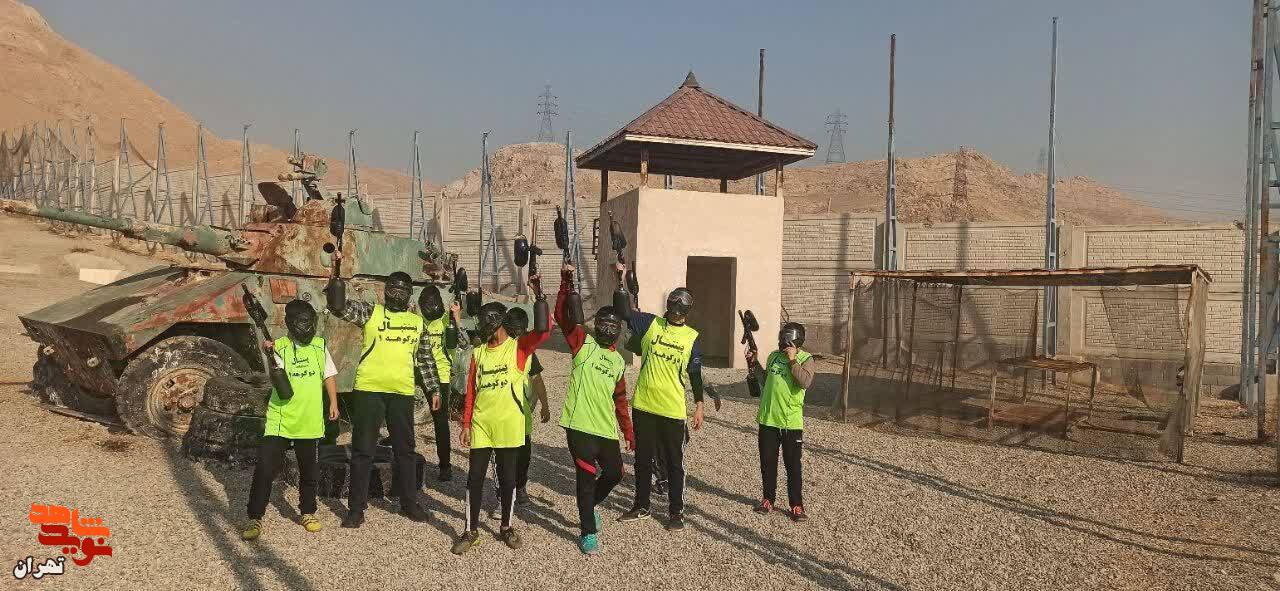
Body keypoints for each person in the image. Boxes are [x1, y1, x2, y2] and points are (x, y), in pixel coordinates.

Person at [330, 270, 441, 529]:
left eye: (403, 290)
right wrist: (335, 275)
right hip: (369, 390)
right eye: (393, 288)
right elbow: (339, 307)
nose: (397, 294)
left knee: (405, 450)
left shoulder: (417, 323)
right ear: (385, 291)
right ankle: (356, 509)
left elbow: (425, 359)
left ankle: (409, 502)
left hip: (402, 392)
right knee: (362, 450)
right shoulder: (371, 313)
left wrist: (434, 389)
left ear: (410, 294)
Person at [452, 290, 550, 556]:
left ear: (498, 321)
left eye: (488, 321)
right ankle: (470, 530)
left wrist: (540, 296)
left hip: (509, 425)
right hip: (482, 425)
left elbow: (543, 332)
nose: (484, 326)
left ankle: (506, 526)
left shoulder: (518, 348)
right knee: (474, 478)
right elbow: (471, 392)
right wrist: (466, 424)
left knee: (508, 480)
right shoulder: (479, 353)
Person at [242, 299, 340, 540]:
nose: (306, 328)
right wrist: (268, 352)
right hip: (281, 419)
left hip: (309, 419)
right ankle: (255, 517)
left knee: (309, 471)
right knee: (265, 469)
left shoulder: (320, 346)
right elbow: (276, 376)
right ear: (290, 324)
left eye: (310, 323)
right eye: (301, 323)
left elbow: (328, 376)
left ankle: (308, 512)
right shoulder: (279, 346)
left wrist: (334, 403)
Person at [617, 270, 705, 532]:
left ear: (687, 311)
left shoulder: (691, 337)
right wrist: (620, 280)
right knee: (643, 460)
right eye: (674, 308)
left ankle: (676, 512)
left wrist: (699, 404)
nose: (676, 313)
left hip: (672, 409)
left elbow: (695, 373)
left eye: (680, 309)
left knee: (675, 463)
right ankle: (641, 506)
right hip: (644, 404)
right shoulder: (651, 324)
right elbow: (624, 312)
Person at [555, 264, 635, 555]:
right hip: (578, 425)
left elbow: (620, 400)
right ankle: (588, 530)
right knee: (586, 477)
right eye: (604, 324)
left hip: (605, 428)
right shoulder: (582, 343)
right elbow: (561, 316)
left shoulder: (618, 362)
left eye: (613, 327)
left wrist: (628, 432)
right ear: (597, 325)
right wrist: (566, 282)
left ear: (618, 331)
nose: (608, 330)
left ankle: (588, 508)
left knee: (615, 473)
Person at [748, 322, 814, 522]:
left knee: (793, 466)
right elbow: (765, 380)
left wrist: (793, 361)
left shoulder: (806, 359)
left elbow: (805, 382)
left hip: (790, 423)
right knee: (767, 463)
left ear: (795, 340)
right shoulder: (774, 357)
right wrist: (754, 363)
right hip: (768, 419)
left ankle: (796, 505)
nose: (782, 342)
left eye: (786, 338)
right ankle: (768, 499)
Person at [495, 307, 550, 509]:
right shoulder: (495, 349)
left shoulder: (527, 352)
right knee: (503, 457)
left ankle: (520, 487)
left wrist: (545, 404)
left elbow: (537, 379)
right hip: (501, 414)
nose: (517, 335)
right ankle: (503, 494)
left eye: (520, 331)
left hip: (521, 414)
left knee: (523, 455)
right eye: (514, 330)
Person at [419, 286, 458, 481]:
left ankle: (445, 466)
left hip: (441, 376)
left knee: (440, 421)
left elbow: (459, 341)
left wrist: (456, 317)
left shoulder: (445, 321)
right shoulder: (419, 321)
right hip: (419, 370)